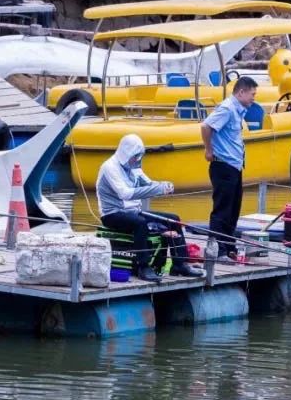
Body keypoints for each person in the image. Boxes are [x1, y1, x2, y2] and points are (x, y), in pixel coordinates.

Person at [97, 134, 204, 281]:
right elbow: (125, 193)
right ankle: (143, 267)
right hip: (112, 214)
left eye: (139, 156)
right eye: (135, 156)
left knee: (173, 220)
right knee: (139, 223)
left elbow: (149, 184)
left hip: (134, 212)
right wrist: (157, 189)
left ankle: (180, 264)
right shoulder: (109, 167)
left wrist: (164, 186)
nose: (137, 160)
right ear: (125, 153)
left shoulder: (133, 167)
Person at [201, 76, 259, 259]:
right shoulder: (227, 108)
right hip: (223, 165)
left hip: (234, 166)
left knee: (234, 208)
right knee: (222, 208)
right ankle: (217, 250)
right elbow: (206, 126)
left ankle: (229, 246)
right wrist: (208, 149)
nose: (254, 98)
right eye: (252, 94)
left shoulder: (238, 110)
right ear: (241, 92)